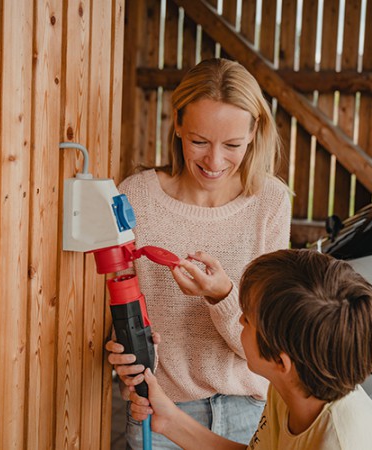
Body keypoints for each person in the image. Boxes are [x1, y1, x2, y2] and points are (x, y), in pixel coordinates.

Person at [106, 57, 292, 448]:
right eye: (199, 141)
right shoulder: (135, 196)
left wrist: (222, 296)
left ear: (254, 130)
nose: (214, 161)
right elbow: (108, 308)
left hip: (251, 411)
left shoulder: (270, 201)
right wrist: (118, 356)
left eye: (232, 145)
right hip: (159, 413)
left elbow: (269, 338)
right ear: (177, 123)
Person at [129, 249, 372, 449]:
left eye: (248, 319)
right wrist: (171, 420)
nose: (240, 319)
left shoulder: (340, 442)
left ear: (280, 361)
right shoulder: (297, 384)